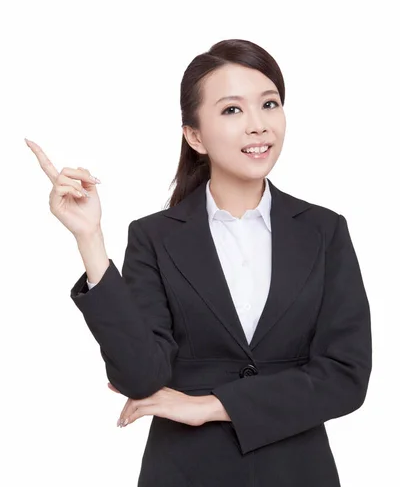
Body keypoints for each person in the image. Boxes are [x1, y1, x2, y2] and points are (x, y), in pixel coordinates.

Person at [26, 38, 372, 487]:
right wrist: (90, 238)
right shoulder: (154, 236)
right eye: (232, 110)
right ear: (194, 135)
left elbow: (345, 375)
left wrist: (210, 405)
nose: (257, 125)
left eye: (269, 104)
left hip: (297, 471)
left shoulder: (325, 230)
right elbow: (140, 376)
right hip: (186, 472)